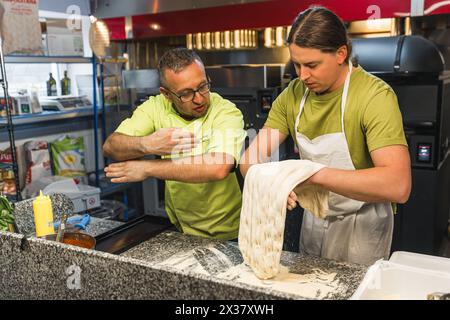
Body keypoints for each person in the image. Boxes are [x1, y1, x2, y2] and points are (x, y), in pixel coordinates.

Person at [240, 7, 411, 265]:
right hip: (315, 219)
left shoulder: (374, 96)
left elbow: (397, 185)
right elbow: (250, 159)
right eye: (296, 64)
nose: (302, 75)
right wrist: (270, 185)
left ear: (341, 54)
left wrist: (310, 174)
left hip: (361, 226)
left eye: (312, 65)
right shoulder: (293, 95)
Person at [103, 48, 246, 240]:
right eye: (186, 94)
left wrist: (147, 168)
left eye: (203, 86)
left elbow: (218, 167)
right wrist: (147, 144)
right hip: (180, 226)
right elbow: (111, 146)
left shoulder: (225, 111)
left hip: (228, 232)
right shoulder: (155, 107)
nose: (199, 98)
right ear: (166, 94)